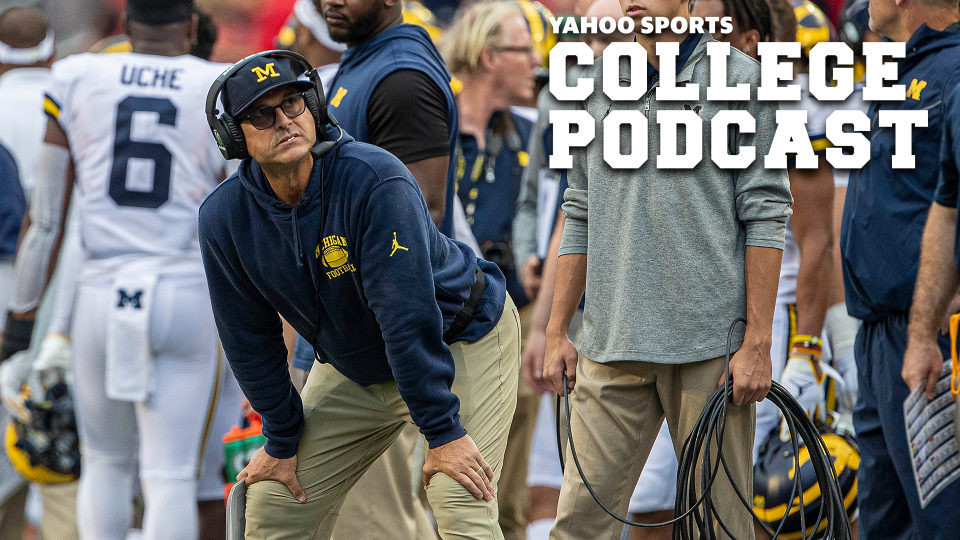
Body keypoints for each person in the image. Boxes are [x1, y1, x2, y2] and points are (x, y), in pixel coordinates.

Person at [201, 50, 520, 540]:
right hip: (361, 363)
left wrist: (443, 432)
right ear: (232, 136)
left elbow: (406, 316)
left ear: (316, 107)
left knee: (459, 498)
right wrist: (281, 436)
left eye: (293, 104)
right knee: (273, 506)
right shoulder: (223, 217)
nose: (284, 121)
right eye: (261, 115)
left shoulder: (374, 178)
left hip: (461, 337)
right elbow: (248, 338)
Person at [542, 0, 792, 537]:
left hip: (712, 350)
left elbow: (767, 216)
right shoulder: (594, 84)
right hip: (610, 343)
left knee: (721, 527)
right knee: (577, 524)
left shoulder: (743, 81)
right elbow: (579, 209)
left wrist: (758, 341)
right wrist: (558, 326)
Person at [0, 1, 235, 539]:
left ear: (126, 28)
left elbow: (47, 220)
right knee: (170, 475)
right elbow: (240, 209)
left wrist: (22, 323)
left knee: (105, 464)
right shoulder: (216, 85)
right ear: (192, 28)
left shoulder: (79, 75)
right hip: (184, 288)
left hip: (101, 290)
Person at [841, 0, 960, 535]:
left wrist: (933, 324)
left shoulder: (954, 71)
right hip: (879, 338)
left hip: (930, 340)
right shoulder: (901, 67)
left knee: (942, 519)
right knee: (883, 524)